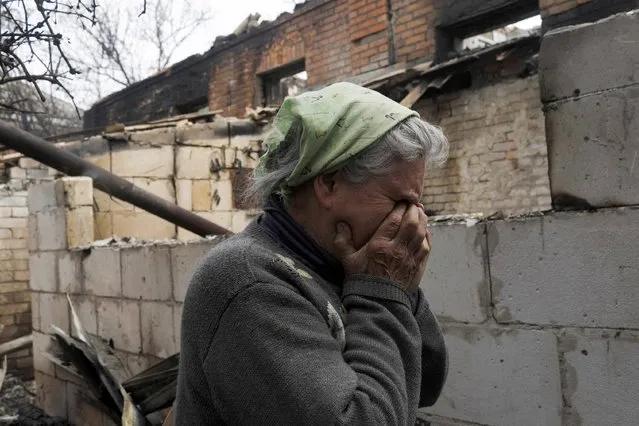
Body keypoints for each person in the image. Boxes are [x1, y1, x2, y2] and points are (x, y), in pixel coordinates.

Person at [175, 82, 449, 425]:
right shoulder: (249, 282)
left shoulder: (345, 264)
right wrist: (383, 292)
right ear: (330, 185)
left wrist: (398, 287)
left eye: (417, 202)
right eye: (401, 201)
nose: (415, 220)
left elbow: (426, 380)